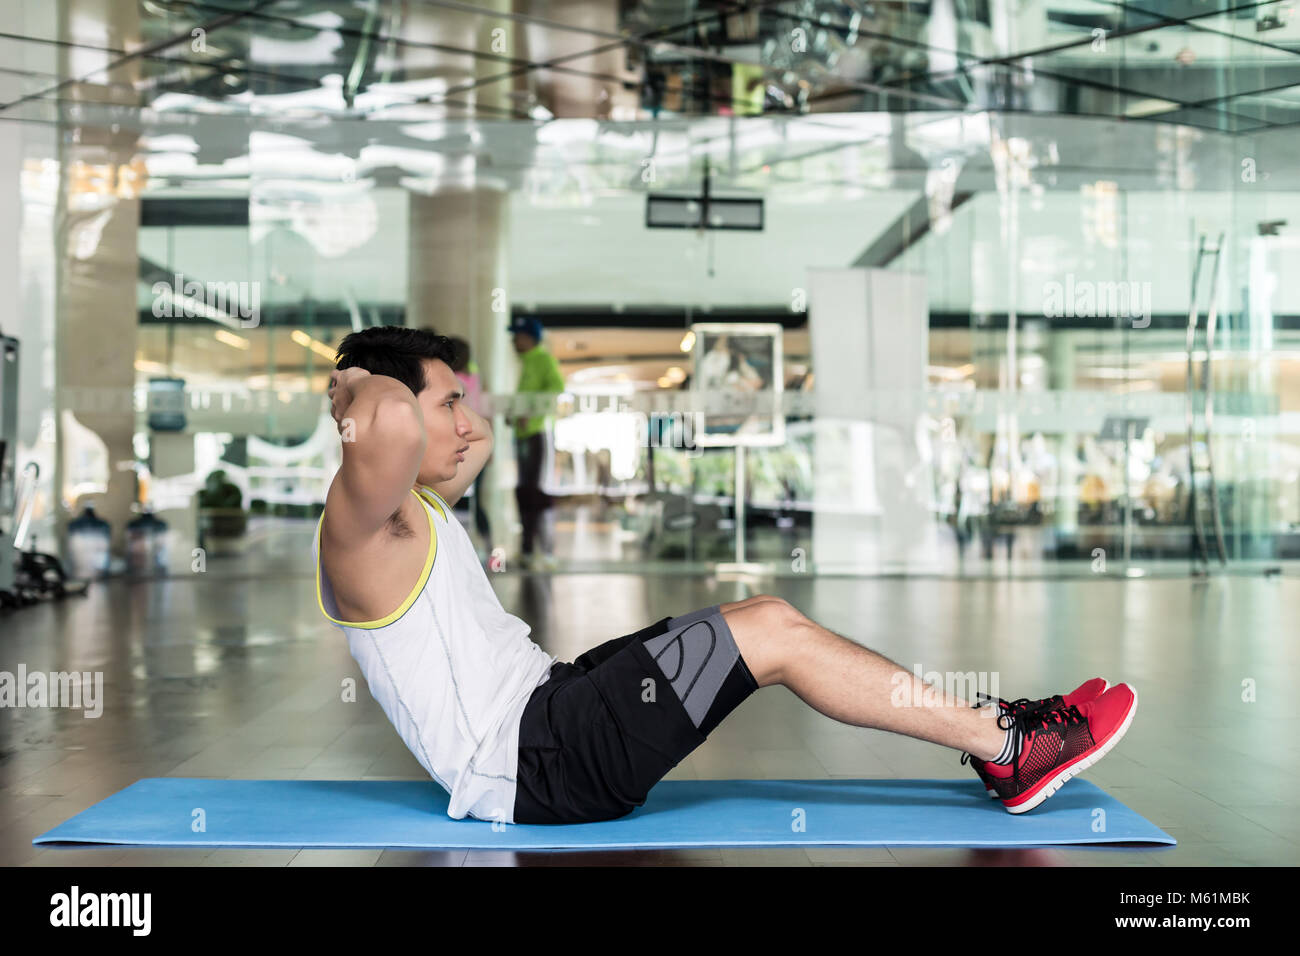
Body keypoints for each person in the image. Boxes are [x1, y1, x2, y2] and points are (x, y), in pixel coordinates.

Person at [317, 327, 1138, 825]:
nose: (469, 424)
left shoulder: (419, 506)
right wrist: (355, 378)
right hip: (534, 761)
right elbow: (389, 416)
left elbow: (469, 439)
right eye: (448, 404)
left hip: (552, 706)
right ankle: (1010, 747)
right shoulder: (363, 530)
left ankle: (998, 733)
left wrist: (430, 391)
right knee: (772, 635)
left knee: (761, 614)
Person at [507, 315, 565, 570]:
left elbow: (556, 389)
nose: (513, 341)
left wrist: (530, 413)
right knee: (524, 492)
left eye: (517, 336)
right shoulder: (524, 363)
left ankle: (546, 552)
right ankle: (527, 550)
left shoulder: (543, 360)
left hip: (537, 434)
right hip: (522, 436)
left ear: (529, 338)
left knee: (536, 493)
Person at [446, 335, 493, 558]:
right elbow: (487, 414)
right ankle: (489, 547)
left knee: (455, 497)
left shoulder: (450, 381)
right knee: (475, 500)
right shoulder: (477, 380)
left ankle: (460, 550)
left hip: (457, 443)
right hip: (477, 443)